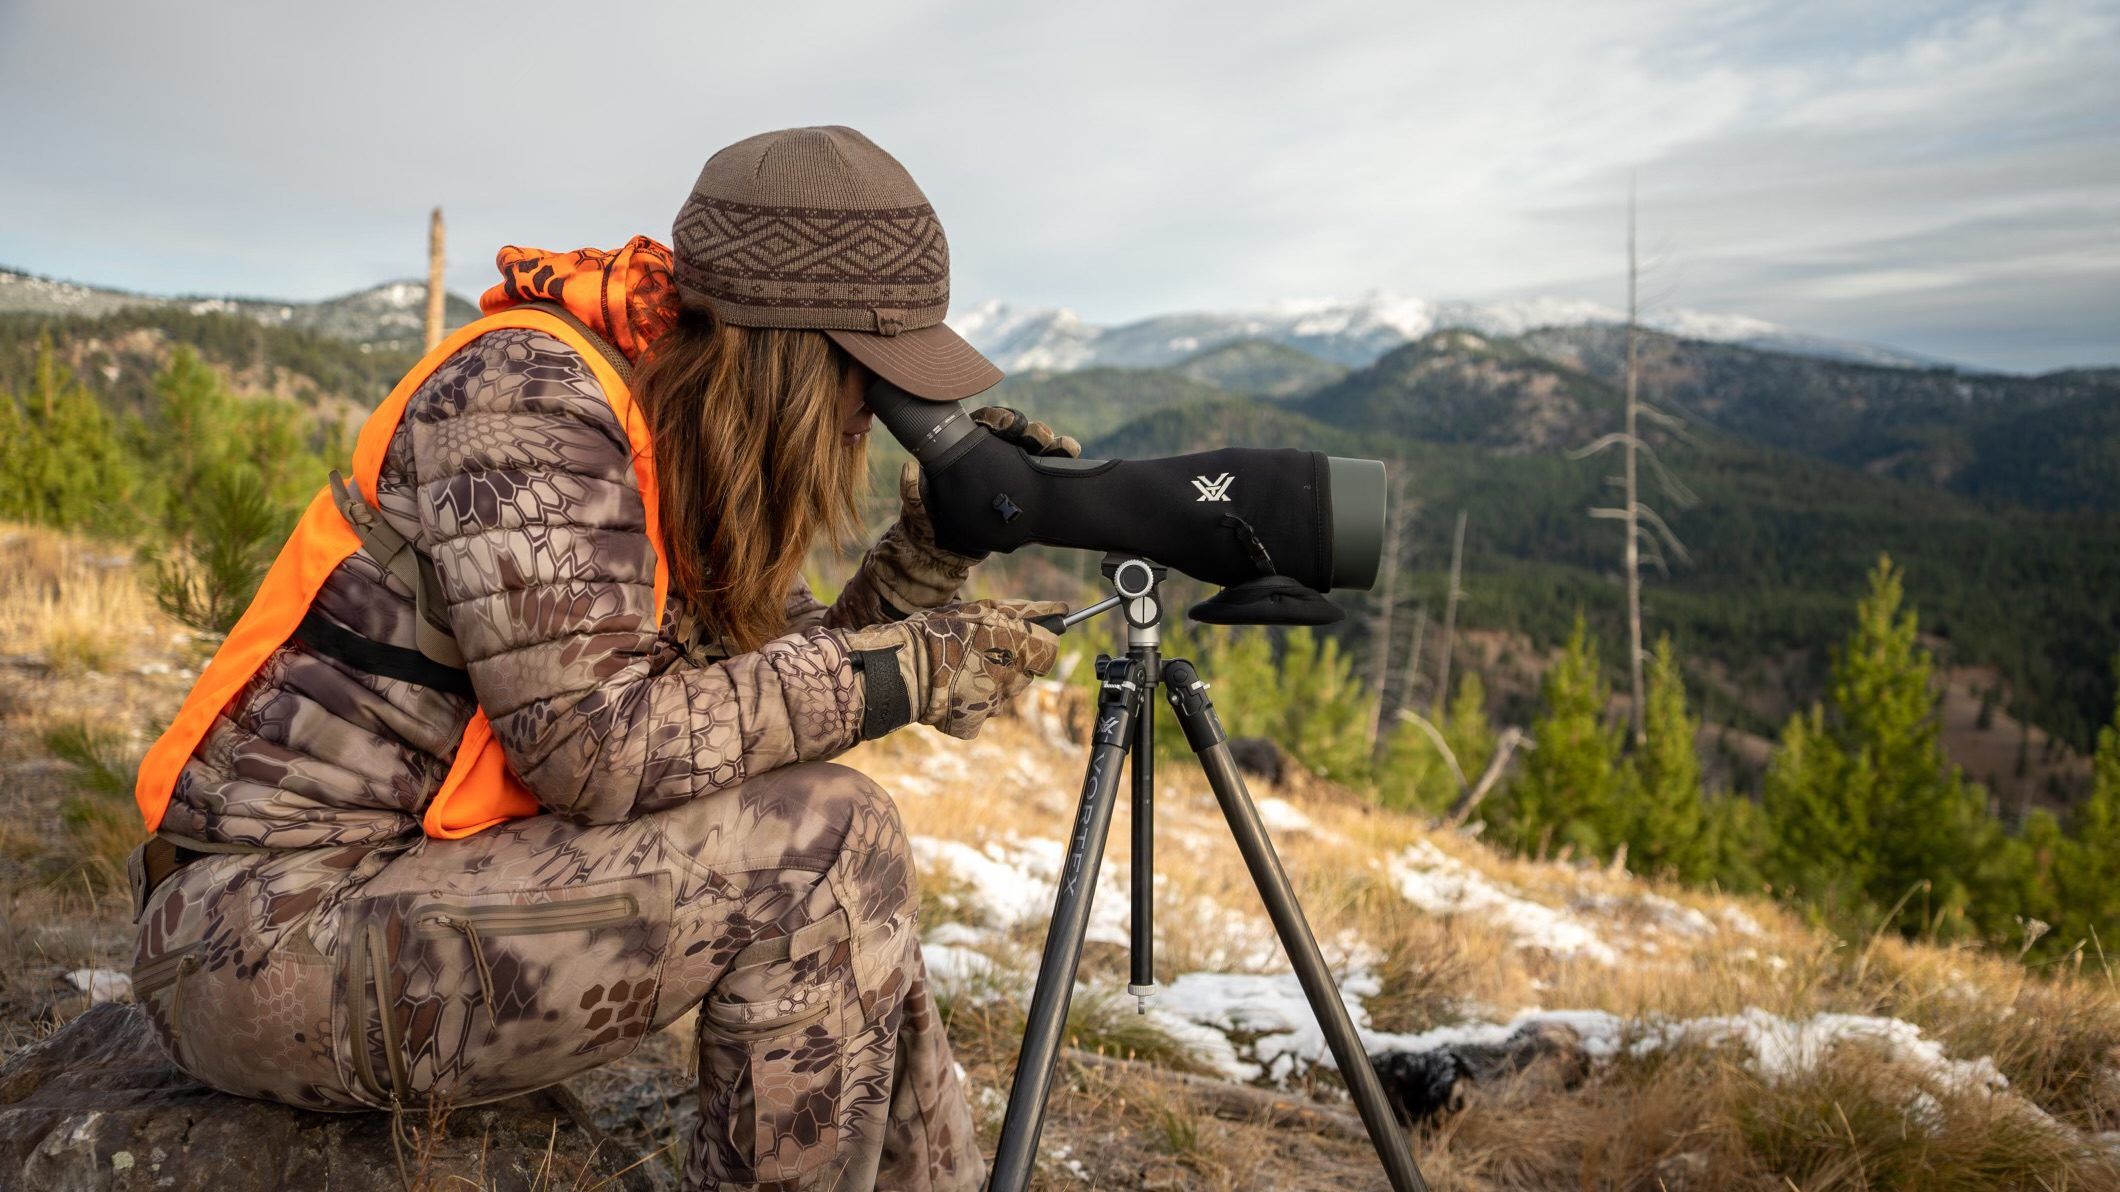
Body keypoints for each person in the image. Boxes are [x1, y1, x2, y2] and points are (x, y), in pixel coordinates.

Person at [126, 126, 1075, 1191]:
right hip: (264, 929)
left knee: (850, 876)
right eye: (870, 377)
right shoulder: (526, 402)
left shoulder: (667, 422)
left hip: (394, 889)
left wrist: (926, 559)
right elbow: (595, 748)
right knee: (831, 840)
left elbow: (761, 695)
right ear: (789, 351)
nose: (871, 413)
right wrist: (906, 671)